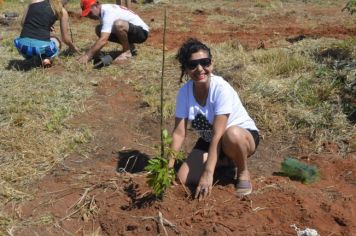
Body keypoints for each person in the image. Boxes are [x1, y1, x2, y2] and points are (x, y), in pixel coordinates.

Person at [168, 38, 260, 200]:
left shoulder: (221, 88)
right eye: (192, 65)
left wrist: (208, 173)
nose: (200, 69)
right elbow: (179, 133)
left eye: (205, 62)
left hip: (239, 136)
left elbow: (219, 134)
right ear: (186, 69)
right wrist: (168, 167)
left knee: (231, 135)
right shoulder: (184, 92)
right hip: (210, 137)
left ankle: (242, 170)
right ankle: (225, 162)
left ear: (212, 63)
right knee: (182, 178)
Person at [78, 0, 149, 64]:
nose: (89, 16)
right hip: (131, 30)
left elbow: (103, 40)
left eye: (89, 13)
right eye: (87, 15)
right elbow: (104, 34)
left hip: (141, 32)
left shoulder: (108, 12)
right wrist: (95, 52)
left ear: (96, 5)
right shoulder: (102, 11)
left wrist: (88, 55)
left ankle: (127, 52)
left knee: (119, 24)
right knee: (99, 29)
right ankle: (130, 46)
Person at [14, 0, 79, 67]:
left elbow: (23, 23)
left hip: (21, 47)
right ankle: (46, 59)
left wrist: (43, 25)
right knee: (55, 41)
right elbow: (65, 39)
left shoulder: (34, 1)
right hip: (40, 48)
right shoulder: (62, 11)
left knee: (33, 45)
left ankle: (31, 56)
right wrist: (73, 48)